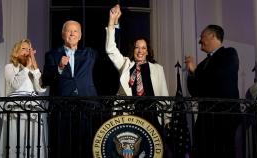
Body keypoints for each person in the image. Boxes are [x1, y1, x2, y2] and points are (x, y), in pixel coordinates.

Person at [106, 5, 169, 158]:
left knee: (151, 152)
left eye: (143, 48)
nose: (140, 51)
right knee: (131, 153)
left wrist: (167, 119)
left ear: (148, 51)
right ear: (133, 50)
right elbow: (111, 50)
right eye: (137, 48)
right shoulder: (126, 65)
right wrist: (111, 22)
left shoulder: (157, 69)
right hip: (130, 114)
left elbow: (164, 94)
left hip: (152, 115)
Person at [42, 20, 99, 158]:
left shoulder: (89, 53)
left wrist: (113, 24)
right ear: (63, 34)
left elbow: (111, 47)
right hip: (62, 109)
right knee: (63, 148)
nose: (72, 33)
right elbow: (45, 80)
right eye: (69, 31)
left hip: (87, 107)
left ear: (80, 36)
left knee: (86, 148)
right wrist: (59, 68)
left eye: (75, 31)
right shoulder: (52, 54)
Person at [185, 25, 240, 158]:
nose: (200, 41)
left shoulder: (229, 54)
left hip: (223, 117)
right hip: (206, 117)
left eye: (202, 37)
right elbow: (195, 90)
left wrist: (195, 71)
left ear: (212, 36)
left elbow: (218, 78)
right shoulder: (204, 63)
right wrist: (192, 73)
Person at [1, 39, 47, 157]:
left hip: (33, 110)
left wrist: (35, 66)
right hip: (16, 110)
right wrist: (26, 68)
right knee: (17, 140)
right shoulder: (9, 67)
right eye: (23, 49)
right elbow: (15, 84)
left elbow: (41, 89)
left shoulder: (32, 71)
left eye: (29, 49)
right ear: (15, 53)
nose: (27, 51)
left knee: (33, 142)